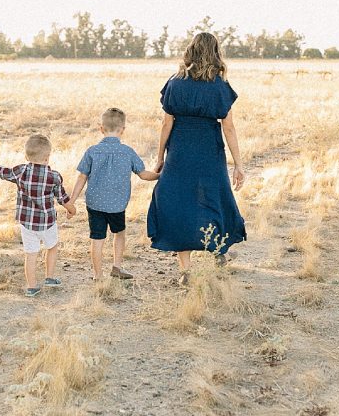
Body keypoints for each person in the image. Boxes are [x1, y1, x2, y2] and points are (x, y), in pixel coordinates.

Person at [146, 32, 247, 286]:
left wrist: (160, 157)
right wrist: (238, 164)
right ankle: (219, 250)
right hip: (209, 150)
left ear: (190, 51)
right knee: (215, 196)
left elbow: (166, 124)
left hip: (179, 149)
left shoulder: (175, 82)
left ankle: (186, 270)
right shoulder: (219, 85)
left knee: (177, 201)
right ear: (215, 53)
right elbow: (229, 128)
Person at [69, 108, 159, 281]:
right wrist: (160, 176)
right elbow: (143, 174)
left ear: (101, 128)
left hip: (95, 203)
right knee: (119, 233)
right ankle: (116, 267)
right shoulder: (127, 152)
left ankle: (97, 275)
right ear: (122, 129)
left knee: (97, 238)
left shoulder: (92, 151)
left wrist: (71, 201)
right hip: (117, 204)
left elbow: (82, 177)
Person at [0, 134, 76, 297]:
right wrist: (72, 210)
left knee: (31, 254)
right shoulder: (54, 176)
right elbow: (63, 198)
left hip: (27, 223)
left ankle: (32, 286)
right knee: (52, 247)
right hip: (47, 222)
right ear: (47, 157)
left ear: (26, 156)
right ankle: (49, 277)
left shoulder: (20, 171)